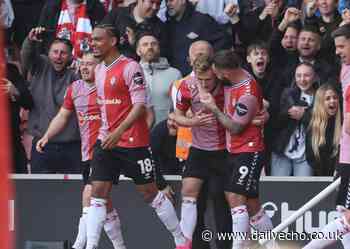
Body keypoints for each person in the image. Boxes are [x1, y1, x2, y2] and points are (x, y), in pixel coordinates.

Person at [85, 24, 186, 249]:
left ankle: (180, 238)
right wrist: (106, 134)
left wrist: (119, 132)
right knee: (97, 194)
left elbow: (140, 106)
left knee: (150, 193)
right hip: (106, 141)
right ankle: (101, 246)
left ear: (113, 41)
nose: (93, 43)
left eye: (98, 39)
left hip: (132, 143)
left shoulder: (131, 68)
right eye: (92, 39)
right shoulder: (99, 69)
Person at [35, 52, 126, 249]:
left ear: (100, 67)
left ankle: (83, 245)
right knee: (103, 202)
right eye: (82, 64)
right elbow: (63, 116)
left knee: (89, 195)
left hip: (107, 151)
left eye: (90, 64)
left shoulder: (109, 87)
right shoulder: (74, 89)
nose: (84, 67)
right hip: (87, 153)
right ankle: (119, 246)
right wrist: (46, 136)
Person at [200, 50, 278, 249]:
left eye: (216, 73)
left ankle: (239, 246)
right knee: (252, 205)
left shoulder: (247, 92)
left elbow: (235, 127)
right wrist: (263, 110)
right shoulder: (232, 80)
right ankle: (273, 246)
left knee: (235, 197)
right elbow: (263, 104)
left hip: (249, 150)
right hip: (234, 150)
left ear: (225, 72)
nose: (214, 77)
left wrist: (214, 108)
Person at [302, 23, 350, 249]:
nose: (338, 51)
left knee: (346, 215)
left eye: (342, 46)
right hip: (347, 155)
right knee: (345, 214)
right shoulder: (344, 69)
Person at [174, 54, 227, 249]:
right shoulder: (187, 86)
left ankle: (226, 246)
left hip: (224, 151)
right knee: (189, 194)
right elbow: (177, 116)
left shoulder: (227, 85)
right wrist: (193, 122)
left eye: (208, 79)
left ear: (216, 74)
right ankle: (186, 245)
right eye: (200, 79)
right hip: (198, 149)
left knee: (221, 201)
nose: (204, 84)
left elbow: (256, 104)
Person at [21, 27, 82, 174]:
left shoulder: (77, 72)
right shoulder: (40, 65)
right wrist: (31, 41)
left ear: (70, 56)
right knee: (40, 191)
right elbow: (27, 56)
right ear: (48, 53)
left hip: (72, 145)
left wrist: (83, 73)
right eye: (55, 52)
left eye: (63, 53)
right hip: (42, 144)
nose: (58, 56)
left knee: (73, 192)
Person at [271, 62, 318, 176]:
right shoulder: (287, 94)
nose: (302, 79)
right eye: (298, 75)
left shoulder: (320, 96)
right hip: (282, 151)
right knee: (278, 189)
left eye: (307, 75)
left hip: (306, 155)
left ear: (315, 77)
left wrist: (304, 116)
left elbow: (324, 124)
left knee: (304, 191)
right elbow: (275, 122)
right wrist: (288, 112)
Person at [165, 0, 232, 75]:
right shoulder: (167, 26)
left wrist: (205, 59)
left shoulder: (202, 20)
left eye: (171, 0)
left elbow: (224, 41)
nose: (168, 4)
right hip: (177, 79)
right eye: (166, 1)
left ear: (183, 1)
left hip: (201, 78)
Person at [136, 32, 182, 126]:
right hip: (138, 131)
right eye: (145, 44)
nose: (150, 47)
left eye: (153, 44)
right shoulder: (131, 73)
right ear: (138, 51)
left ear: (159, 48)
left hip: (166, 130)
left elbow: (180, 106)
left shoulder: (175, 74)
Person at [37, 0, 106, 58]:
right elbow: (41, 42)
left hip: (86, 67)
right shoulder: (52, 7)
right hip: (55, 67)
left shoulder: (97, 8)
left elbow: (103, 44)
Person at [1, 62, 33, 173]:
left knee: (21, 184)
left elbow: (28, 102)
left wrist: (15, 92)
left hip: (11, 141)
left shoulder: (10, 70)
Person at [305, 83, 341, 176]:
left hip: (340, 175)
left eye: (335, 97)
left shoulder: (343, 124)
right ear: (320, 103)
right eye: (328, 98)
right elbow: (310, 157)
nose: (332, 101)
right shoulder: (312, 125)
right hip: (319, 176)